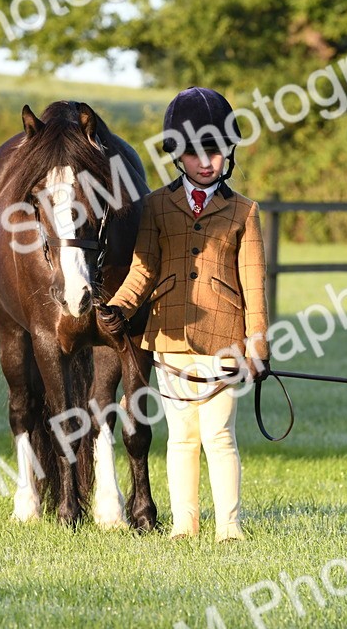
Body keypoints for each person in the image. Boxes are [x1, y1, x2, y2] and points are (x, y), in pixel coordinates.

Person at [97, 86, 269, 542]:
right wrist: (118, 308)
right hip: (170, 337)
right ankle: (183, 525)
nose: (205, 162)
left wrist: (258, 345)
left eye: (214, 151)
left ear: (229, 151)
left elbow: (255, 285)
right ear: (177, 154)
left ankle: (229, 526)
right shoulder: (155, 206)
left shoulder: (244, 212)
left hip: (225, 340)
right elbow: (142, 271)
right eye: (194, 153)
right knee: (181, 437)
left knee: (219, 436)